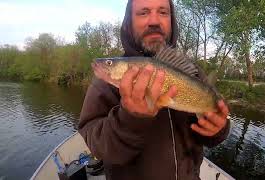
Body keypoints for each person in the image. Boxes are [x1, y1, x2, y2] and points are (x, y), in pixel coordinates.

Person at [78, 0, 230, 179]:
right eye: (143, 12)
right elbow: (100, 148)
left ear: (171, 20)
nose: (154, 21)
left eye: (163, 12)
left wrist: (218, 129)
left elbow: (215, 128)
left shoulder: (193, 73)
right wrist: (131, 119)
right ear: (129, 22)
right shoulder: (103, 86)